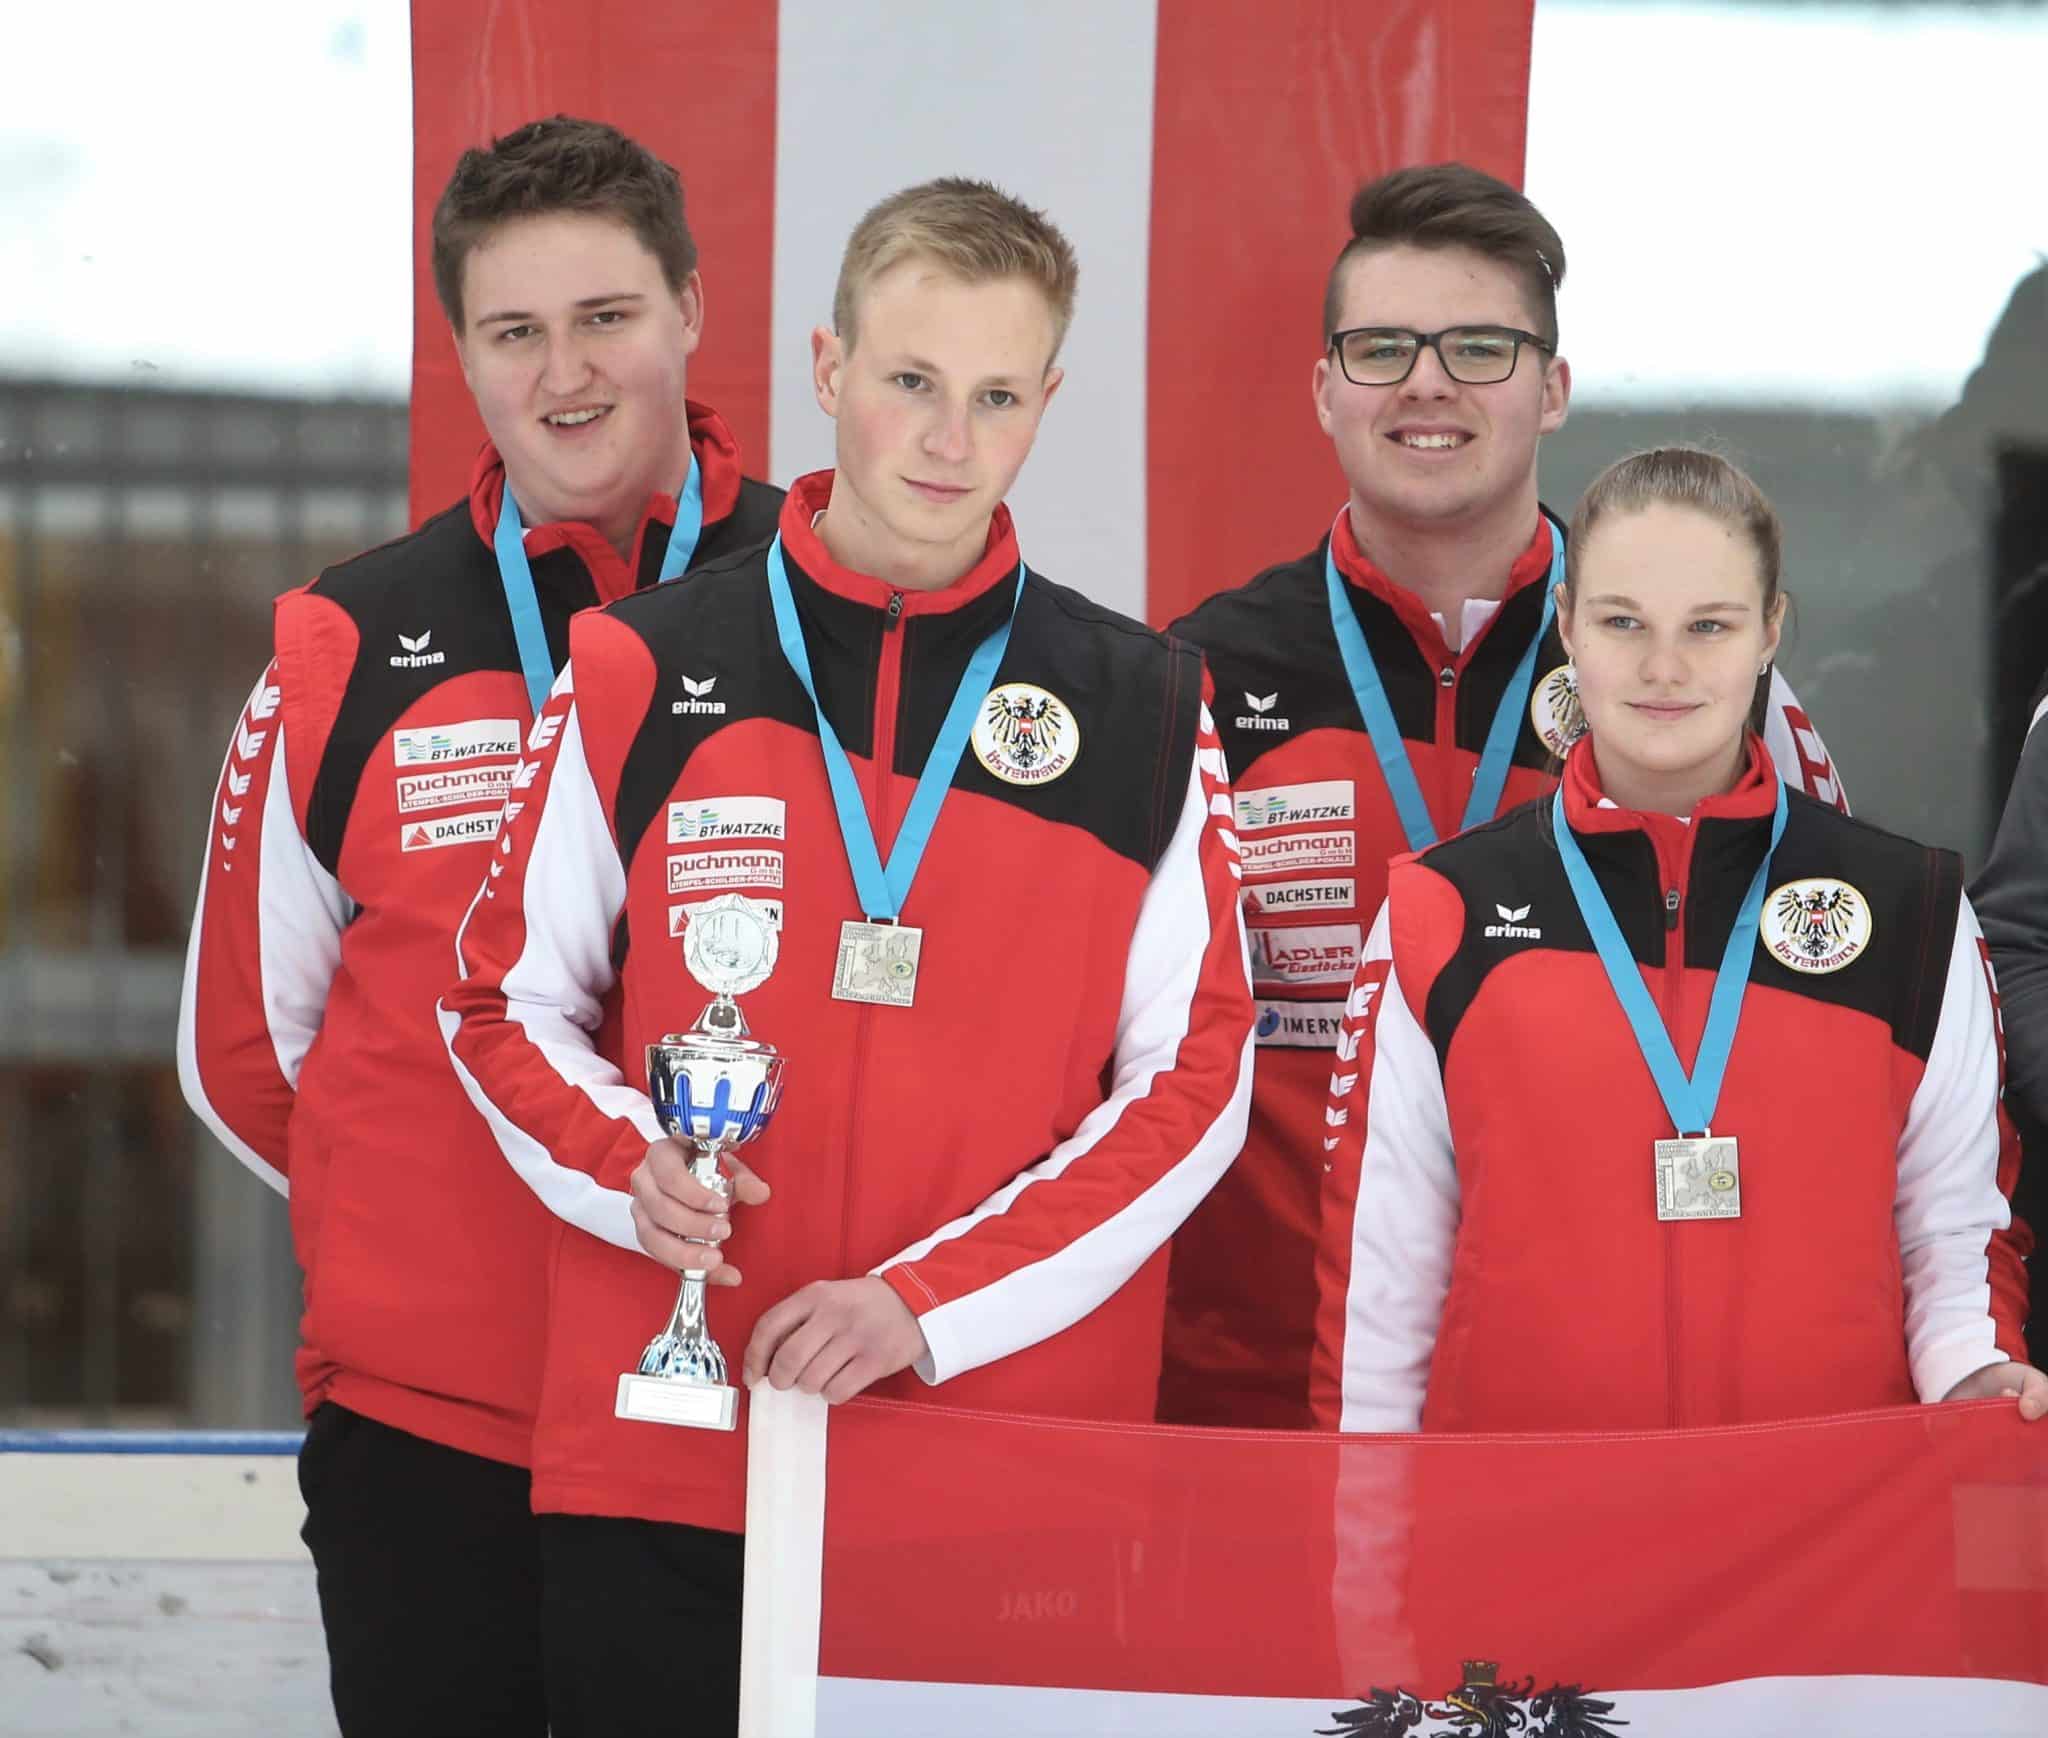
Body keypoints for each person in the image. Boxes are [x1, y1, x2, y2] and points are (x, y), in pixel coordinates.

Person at [438, 177, 1254, 1737]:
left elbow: (1195, 1083)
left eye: (997, 395)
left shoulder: (1147, 703)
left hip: (1002, 1459)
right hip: (676, 1444)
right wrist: (632, 1170)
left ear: (1047, 403)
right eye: (910, 382)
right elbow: (496, 999)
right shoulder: (642, 665)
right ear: (828, 370)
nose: (950, 439)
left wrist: (928, 1307)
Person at [175, 116, 783, 1737]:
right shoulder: (344, 644)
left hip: (738, 1410)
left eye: (607, 317)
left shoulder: (822, 597)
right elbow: (253, 1050)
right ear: (460, 351)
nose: (565, 372)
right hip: (438, 1425)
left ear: (691, 310)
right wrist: (439, 1232)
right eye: (516, 331)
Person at [1158, 164, 1850, 1430]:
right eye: (1380, 348)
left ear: (1553, 389)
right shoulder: (1197, 679)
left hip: (1590, 1391)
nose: (1426, 384)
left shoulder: (1692, 680)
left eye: (1479, 347)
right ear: (1323, 390)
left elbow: (1824, 1047)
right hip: (1249, 1394)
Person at [1311, 446, 2040, 1434]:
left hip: (1819, 1546)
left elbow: (1950, 1235)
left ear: (1769, 631)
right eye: (1621, 623)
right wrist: (1365, 1578)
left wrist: (1970, 1370)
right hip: (1520, 1545)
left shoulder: (1906, 908)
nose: (1663, 667)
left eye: (1708, 625)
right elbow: (1380, 1301)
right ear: (1567, 625)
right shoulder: (1442, 911)